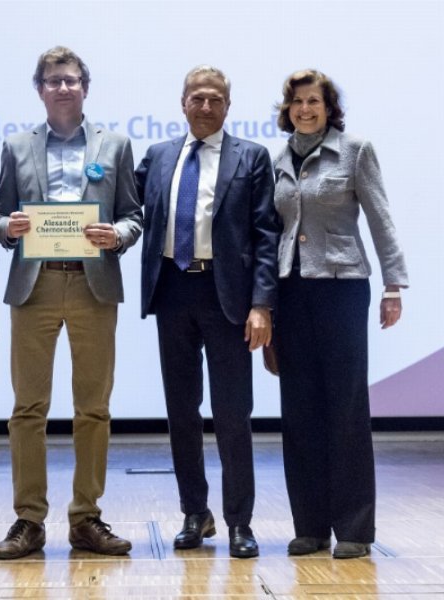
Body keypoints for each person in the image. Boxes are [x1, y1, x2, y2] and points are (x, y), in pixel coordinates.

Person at [0, 46, 142, 559]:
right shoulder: (15, 146)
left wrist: (116, 234)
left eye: (71, 80)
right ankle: (28, 520)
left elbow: (134, 215)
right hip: (34, 286)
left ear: (85, 87)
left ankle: (86, 518)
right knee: (27, 408)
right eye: (53, 80)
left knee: (93, 408)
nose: (62, 88)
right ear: (40, 89)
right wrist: (6, 228)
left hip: (92, 284)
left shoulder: (115, 144)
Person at [135, 65, 280, 559]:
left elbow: (265, 237)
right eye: (197, 97)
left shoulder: (252, 157)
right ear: (182, 103)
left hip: (229, 300)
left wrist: (262, 304)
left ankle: (240, 521)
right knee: (181, 412)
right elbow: (128, 212)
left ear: (228, 105)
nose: (206, 106)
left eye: (215, 98)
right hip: (172, 291)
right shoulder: (156, 156)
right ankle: (194, 512)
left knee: (232, 413)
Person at [272, 69, 409, 559]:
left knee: (345, 408)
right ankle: (308, 526)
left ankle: (354, 529)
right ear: (286, 109)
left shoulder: (355, 150)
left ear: (330, 108)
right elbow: (271, 232)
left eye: (315, 101)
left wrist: (394, 285)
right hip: (290, 294)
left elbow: (380, 217)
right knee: (300, 410)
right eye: (297, 102)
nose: (305, 109)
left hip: (342, 289)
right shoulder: (275, 158)